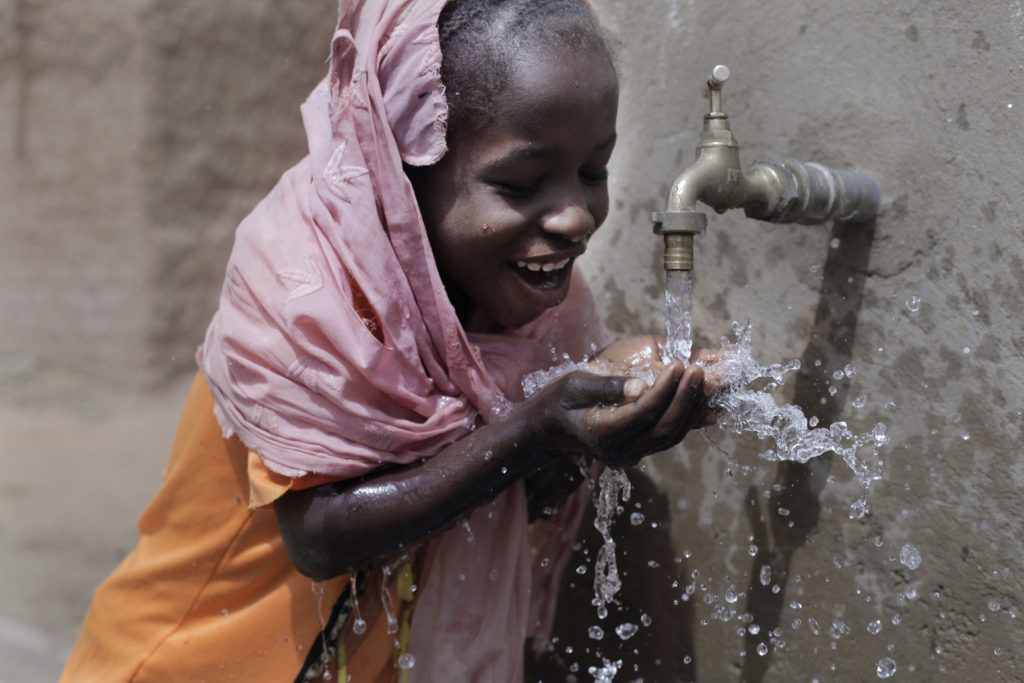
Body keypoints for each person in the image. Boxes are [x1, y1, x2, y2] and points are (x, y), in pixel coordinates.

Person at [61, 0, 718, 680]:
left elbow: (511, 497)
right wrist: (538, 429)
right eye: (522, 183)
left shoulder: (539, 306)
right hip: (194, 661)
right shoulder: (307, 298)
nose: (576, 216)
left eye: (593, 172)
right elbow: (318, 535)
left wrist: (601, 429)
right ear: (401, 168)